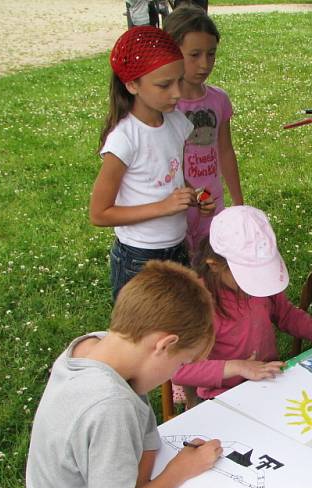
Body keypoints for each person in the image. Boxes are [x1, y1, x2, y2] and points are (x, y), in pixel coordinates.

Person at [18, 261, 266, 488]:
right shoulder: (108, 406)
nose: (175, 374)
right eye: (180, 364)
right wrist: (177, 472)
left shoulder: (99, 349)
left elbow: (147, 440)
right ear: (164, 345)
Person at [90, 26, 215, 301]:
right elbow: (99, 213)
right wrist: (164, 207)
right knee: (142, 337)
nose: (176, 93)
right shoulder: (125, 139)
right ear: (132, 84)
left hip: (177, 248)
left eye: (179, 81)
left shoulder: (176, 122)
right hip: (138, 257)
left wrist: (194, 196)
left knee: (178, 327)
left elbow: (172, 177)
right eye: (164, 85)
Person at [173, 206, 312, 401]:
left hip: (268, 381)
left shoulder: (260, 288)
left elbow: (285, 313)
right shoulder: (198, 305)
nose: (256, 283)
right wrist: (238, 367)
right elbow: (179, 370)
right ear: (215, 266)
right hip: (223, 397)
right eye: (248, 276)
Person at [164, 5, 244, 254]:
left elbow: (226, 151)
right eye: (194, 55)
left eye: (211, 54)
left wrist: (238, 204)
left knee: (210, 268)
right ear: (172, 53)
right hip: (175, 207)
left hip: (212, 201)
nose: (204, 64)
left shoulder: (219, 100)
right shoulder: (165, 105)